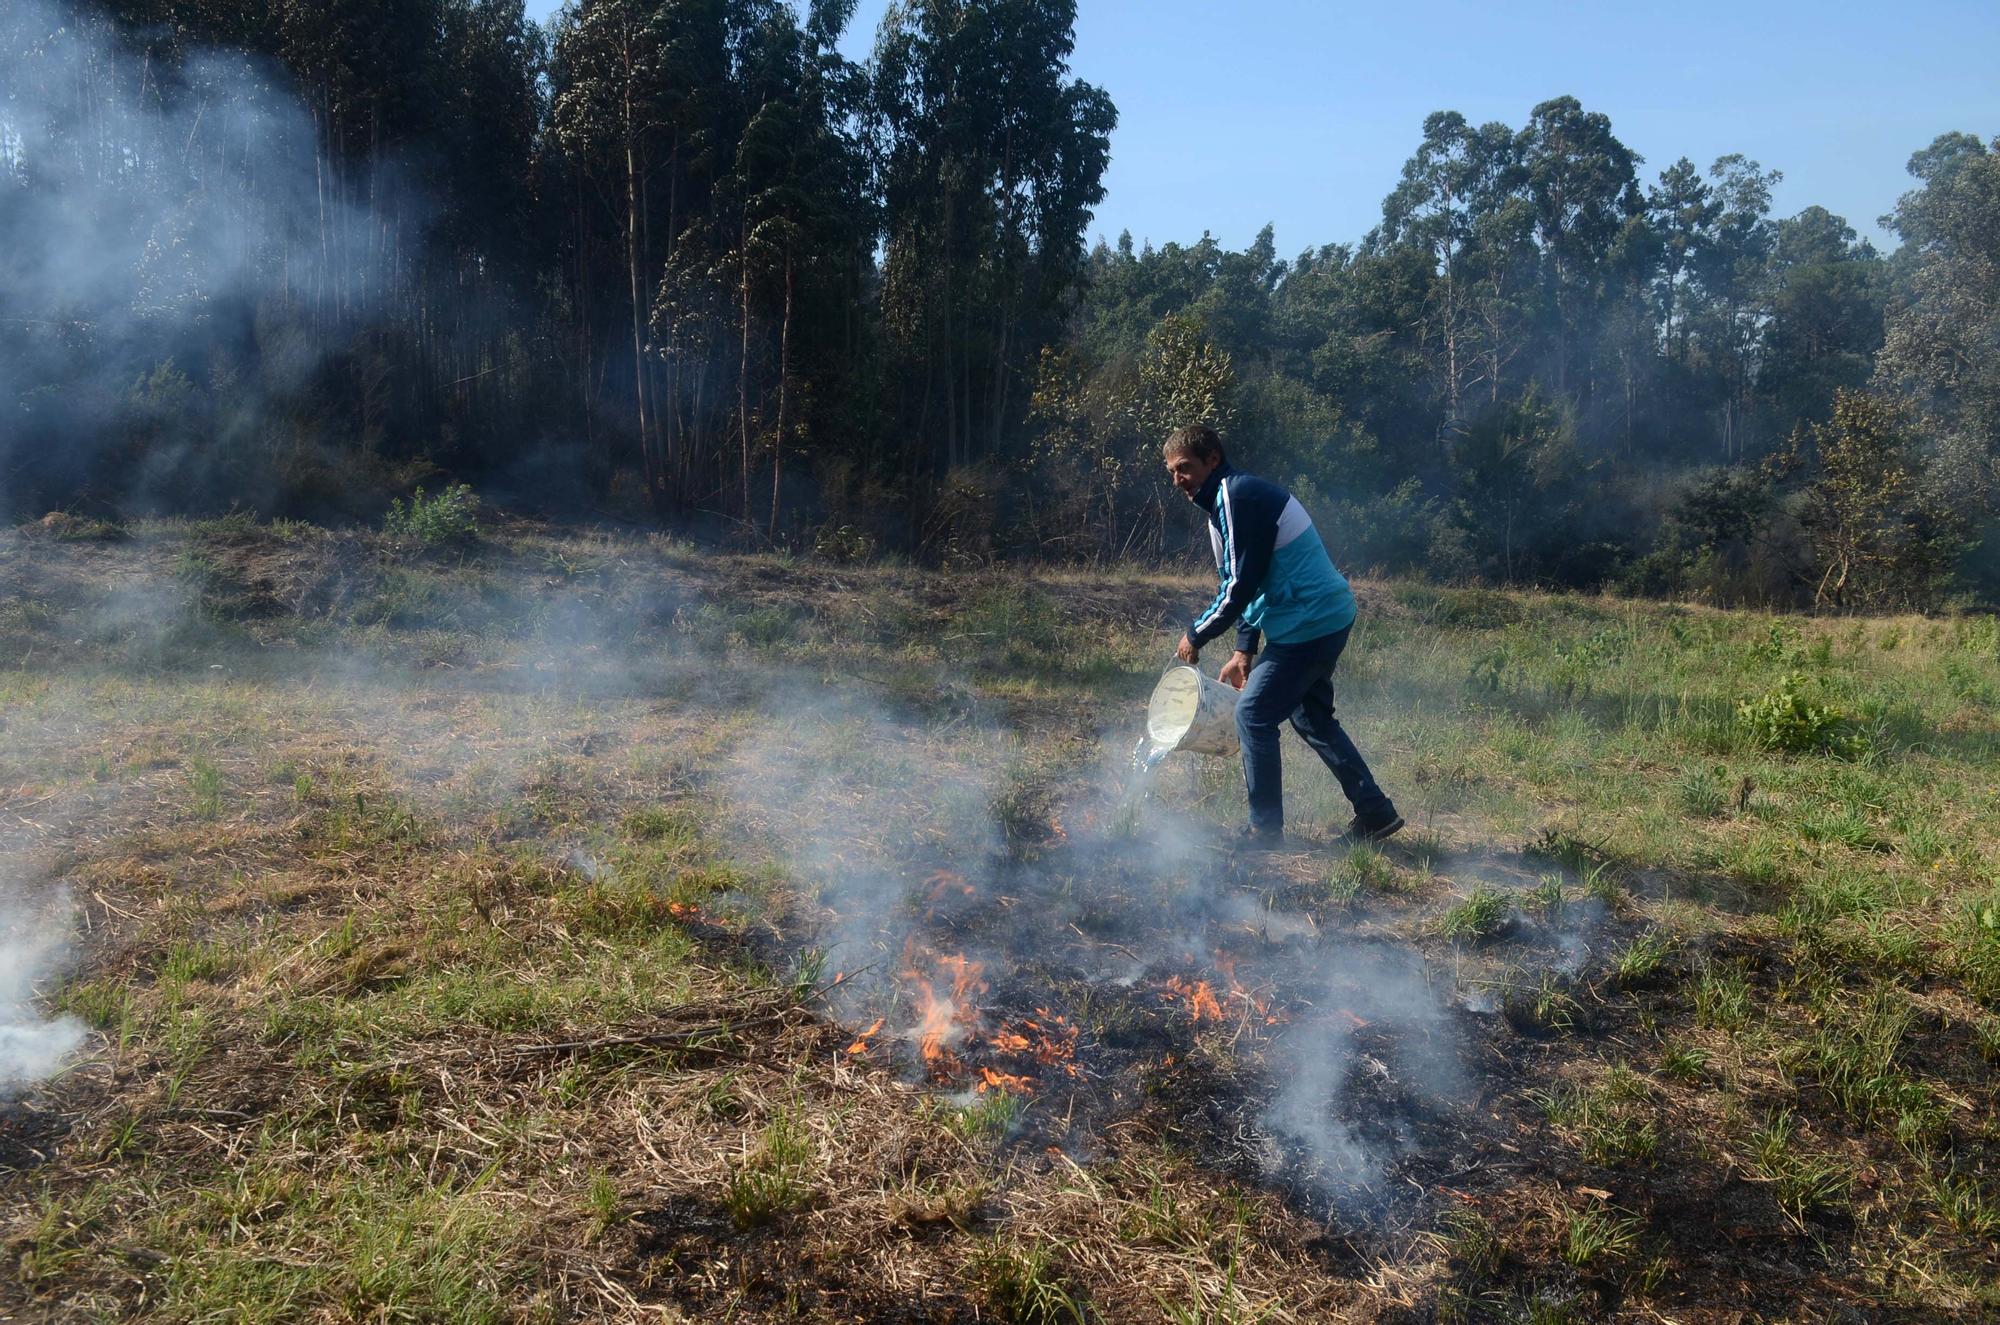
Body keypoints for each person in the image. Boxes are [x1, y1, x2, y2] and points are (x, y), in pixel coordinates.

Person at [1164, 423, 1402, 849]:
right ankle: (1376, 813)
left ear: (1212, 459)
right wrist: (1242, 650)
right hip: (1320, 615)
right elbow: (1253, 583)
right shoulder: (1226, 502)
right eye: (1171, 472)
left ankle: (1264, 831)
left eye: (1184, 468)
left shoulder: (1235, 496)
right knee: (1311, 718)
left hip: (1308, 622)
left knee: (1253, 715)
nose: (1177, 480)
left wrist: (1195, 634)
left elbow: (1238, 585)